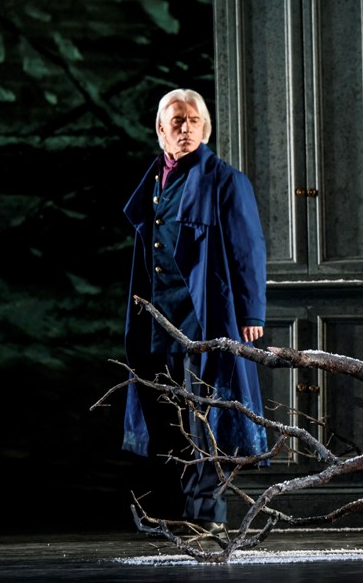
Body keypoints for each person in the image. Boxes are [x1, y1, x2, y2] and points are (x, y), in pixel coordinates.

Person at [121, 88, 269, 532]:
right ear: (161, 130)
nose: (185, 128)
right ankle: (176, 510)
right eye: (176, 120)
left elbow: (249, 250)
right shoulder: (153, 181)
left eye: (193, 120)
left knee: (208, 413)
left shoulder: (225, 180)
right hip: (158, 318)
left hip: (206, 316)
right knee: (168, 414)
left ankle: (208, 516)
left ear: (205, 128)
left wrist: (252, 313)